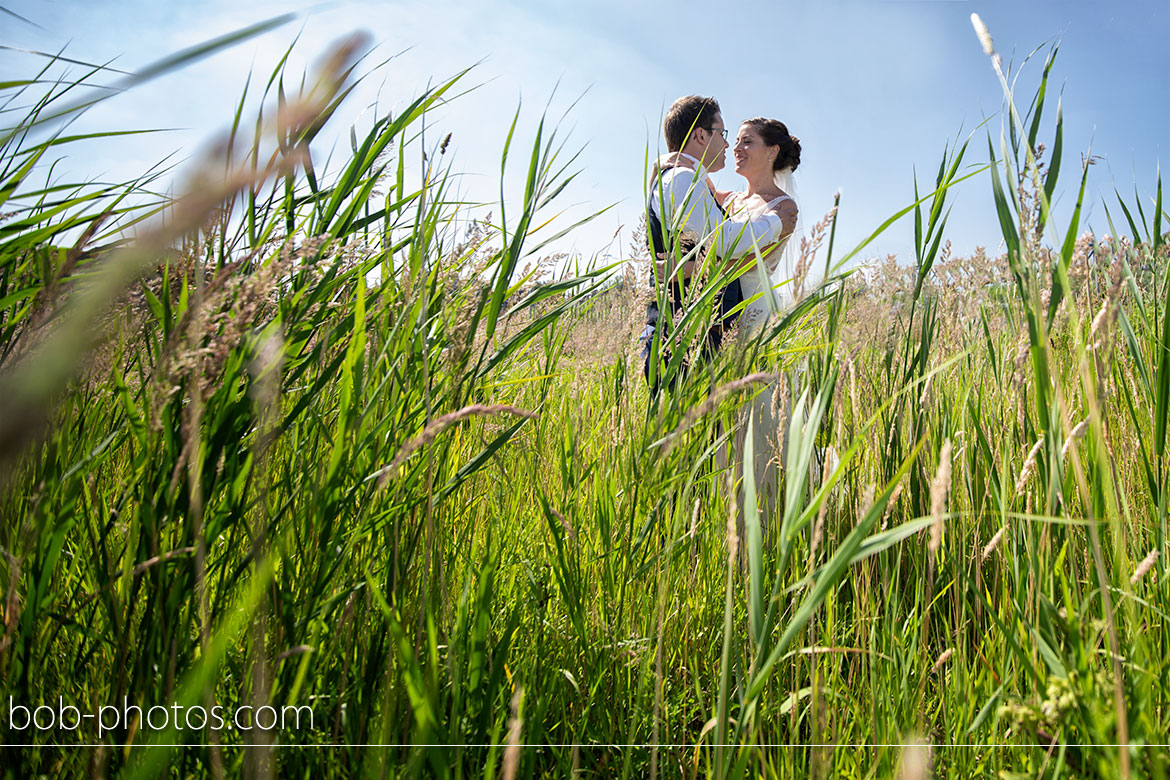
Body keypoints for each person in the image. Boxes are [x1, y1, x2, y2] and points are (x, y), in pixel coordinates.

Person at [643, 96, 790, 396]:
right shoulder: (682, 179)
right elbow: (722, 240)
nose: (728, 146)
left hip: (702, 335)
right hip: (684, 338)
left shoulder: (689, 179)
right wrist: (775, 223)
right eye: (722, 134)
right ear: (700, 135)